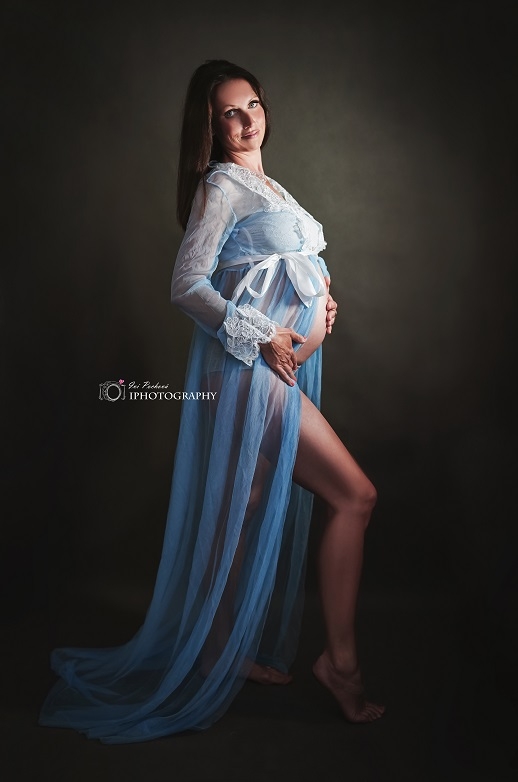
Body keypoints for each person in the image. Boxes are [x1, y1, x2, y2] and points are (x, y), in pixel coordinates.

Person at [39, 59, 384, 744]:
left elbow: (282, 269)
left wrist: (320, 302)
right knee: (355, 496)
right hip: (250, 374)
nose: (248, 119)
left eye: (253, 103)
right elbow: (188, 285)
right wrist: (265, 332)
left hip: (274, 373)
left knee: (241, 508)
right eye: (231, 111)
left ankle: (214, 648)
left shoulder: (271, 187)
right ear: (211, 126)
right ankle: (340, 666)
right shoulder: (220, 186)